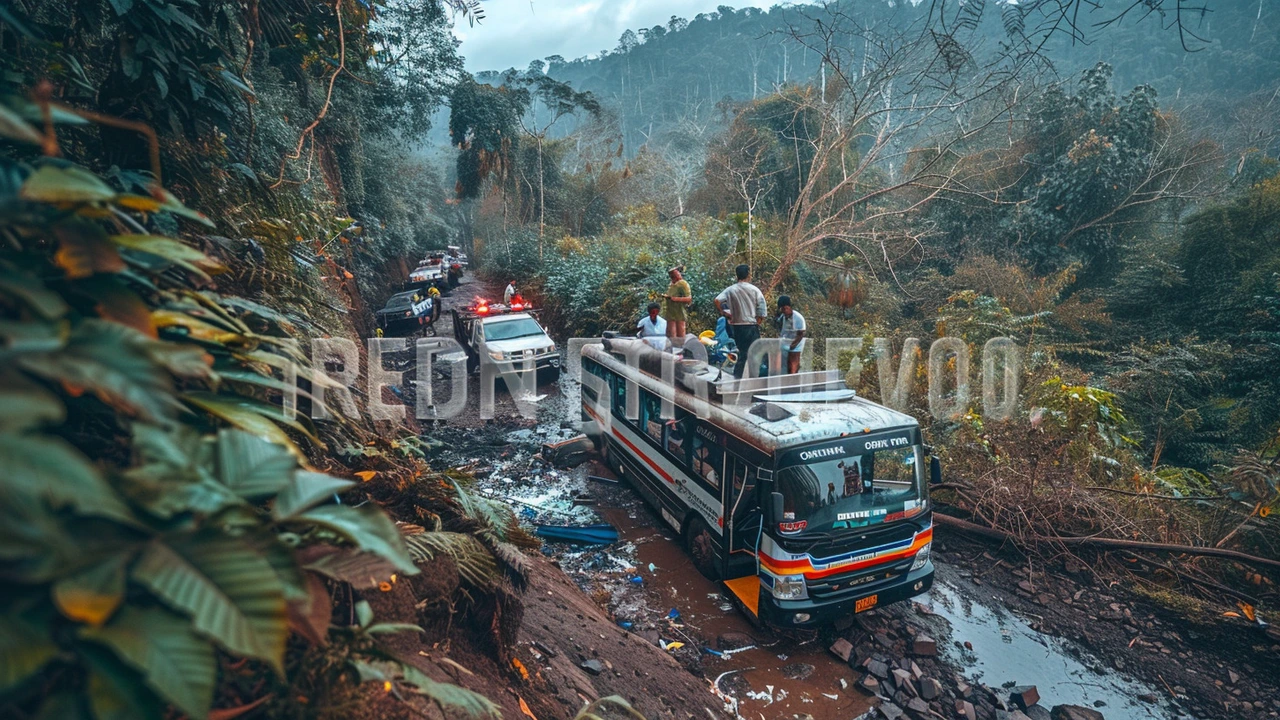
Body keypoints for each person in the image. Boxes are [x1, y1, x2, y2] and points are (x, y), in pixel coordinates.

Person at [714, 264, 767, 379]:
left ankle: (737, 379)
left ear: (737, 275)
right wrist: (758, 322)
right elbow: (762, 309)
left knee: (742, 354)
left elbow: (717, 300)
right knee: (755, 354)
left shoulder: (731, 290)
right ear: (748, 274)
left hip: (737, 327)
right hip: (751, 326)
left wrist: (725, 313)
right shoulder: (754, 290)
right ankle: (753, 380)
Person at [775, 295, 807, 374]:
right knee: (782, 366)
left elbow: (801, 334)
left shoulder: (798, 318)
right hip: (785, 342)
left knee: (792, 366)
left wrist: (793, 345)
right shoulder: (782, 317)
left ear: (790, 307)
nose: (784, 311)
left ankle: (792, 382)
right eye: (782, 309)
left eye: (785, 308)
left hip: (796, 344)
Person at [661, 266, 692, 340]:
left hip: (679, 313)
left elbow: (689, 299)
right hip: (669, 313)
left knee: (680, 337)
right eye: (672, 275)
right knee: (672, 336)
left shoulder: (683, 283)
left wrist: (674, 299)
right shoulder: (671, 284)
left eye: (677, 273)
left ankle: (680, 350)